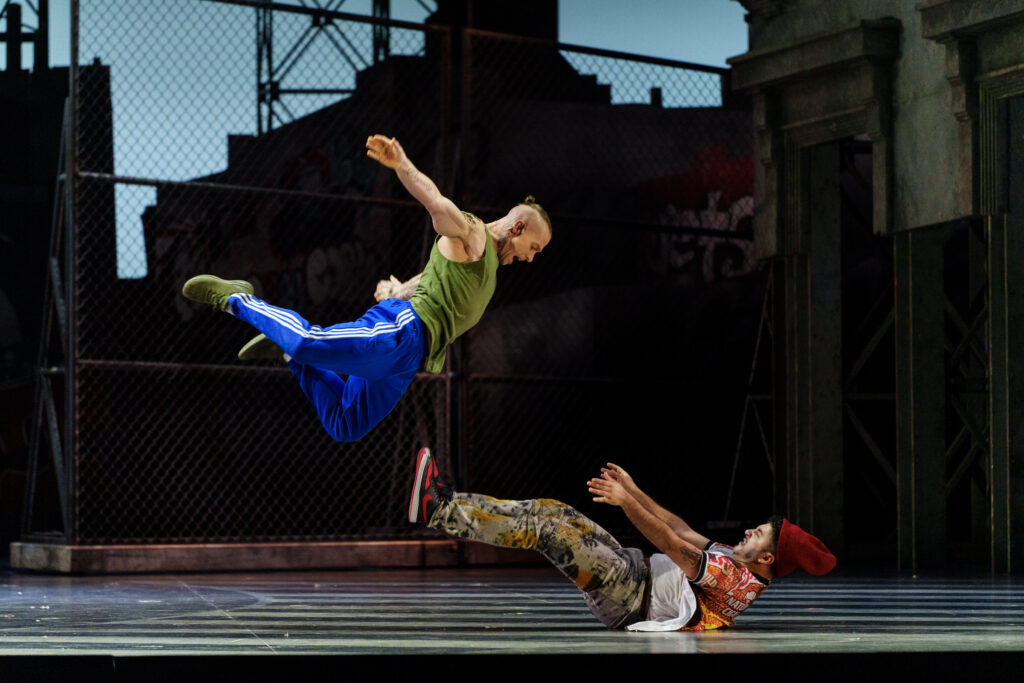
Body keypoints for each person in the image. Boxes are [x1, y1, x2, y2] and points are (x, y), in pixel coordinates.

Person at [181, 134, 552, 442]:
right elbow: (436, 203)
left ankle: (287, 355)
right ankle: (235, 297)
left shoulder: (482, 267)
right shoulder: (474, 236)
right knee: (308, 340)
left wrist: (397, 290)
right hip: (402, 333)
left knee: (346, 424)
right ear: (518, 228)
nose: (531, 258)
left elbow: (432, 281)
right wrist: (402, 165)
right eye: (534, 248)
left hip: (409, 359)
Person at [408, 447, 836, 631]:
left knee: (547, 530)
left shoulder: (732, 577)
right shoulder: (742, 565)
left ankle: (439, 509)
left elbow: (672, 543)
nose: (749, 530)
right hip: (632, 573)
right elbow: (680, 526)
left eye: (757, 534)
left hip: (628, 596)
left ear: (765, 559)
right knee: (554, 511)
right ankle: (444, 503)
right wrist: (633, 490)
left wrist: (624, 502)